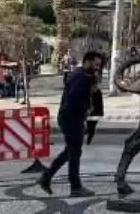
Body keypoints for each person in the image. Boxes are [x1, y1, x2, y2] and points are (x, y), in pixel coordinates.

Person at [36, 51, 102, 197]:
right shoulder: (81, 77)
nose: (97, 67)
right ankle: (75, 186)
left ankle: (46, 177)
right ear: (88, 62)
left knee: (71, 151)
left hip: (70, 118)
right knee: (74, 152)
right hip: (71, 118)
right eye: (95, 64)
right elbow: (74, 100)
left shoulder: (80, 74)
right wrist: (86, 109)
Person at [85, 63, 105, 144]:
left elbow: (99, 104)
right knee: (89, 125)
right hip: (90, 111)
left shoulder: (97, 92)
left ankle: (89, 138)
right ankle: (87, 134)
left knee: (92, 126)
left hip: (95, 111)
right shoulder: (88, 90)